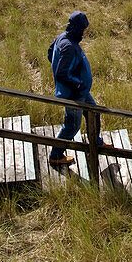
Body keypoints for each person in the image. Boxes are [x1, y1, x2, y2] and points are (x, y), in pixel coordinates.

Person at [48, 11, 105, 164]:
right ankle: (56, 155)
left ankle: (95, 142)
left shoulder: (62, 37)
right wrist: (78, 84)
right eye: (85, 28)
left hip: (80, 92)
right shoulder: (70, 47)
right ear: (80, 28)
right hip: (73, 94)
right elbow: (62, 74)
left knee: (93, 112)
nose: (86, 30)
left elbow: (50, 52)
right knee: (72, 127)